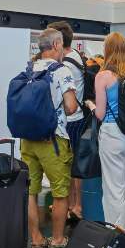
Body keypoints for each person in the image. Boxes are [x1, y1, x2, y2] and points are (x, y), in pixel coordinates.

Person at [22, 28, 78, 248]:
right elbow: (71, 106)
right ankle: (57, 239)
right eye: (62, 45)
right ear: (55, 45)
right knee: (60, 191)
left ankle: (36, 239)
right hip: (54, 139)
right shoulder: (61, 70)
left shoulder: (29, 68)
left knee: (30, 191)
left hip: (27, 138)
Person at [83, 33, 125, 230]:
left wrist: (90, 105)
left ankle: (114, 234)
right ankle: (123, 228)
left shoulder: (103, 76)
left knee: (112, 188)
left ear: (107, 50)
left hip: (112, 133)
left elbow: (99, 113)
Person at [49, 21, 86, 221]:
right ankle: (73, 204)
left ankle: (75, 205)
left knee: (71, 164)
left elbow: (63, 98)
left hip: (71, 119)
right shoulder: (76, 58)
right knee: (73, 163)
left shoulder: (66, 65)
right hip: (77, 118)